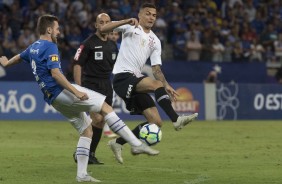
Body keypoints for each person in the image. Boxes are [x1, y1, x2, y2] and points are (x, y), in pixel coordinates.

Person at [0, 14, 159, 183]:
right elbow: (55, 74)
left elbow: (20, 57)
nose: (59, 32)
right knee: (106, 109)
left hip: (53, 99)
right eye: (56, 28)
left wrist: (6, 62)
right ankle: (135, 144)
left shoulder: (33, 47)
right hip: (61, 91)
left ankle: (81, 174)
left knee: (87, 130)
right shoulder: (50, 46)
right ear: (48, 30)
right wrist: (75, 92)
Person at [100, 3, 198, 164]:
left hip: (136, 79)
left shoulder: (155, 41)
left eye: (154, 15)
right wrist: (125, 21)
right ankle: (176, 119)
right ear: (140, 15)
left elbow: (156, 69)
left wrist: (165, 85)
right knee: (155, 85)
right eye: (148, 13)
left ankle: (117, 143)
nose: (151, 17)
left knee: (156, 122)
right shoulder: (130, 28)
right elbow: (104, 29)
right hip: (122, 77)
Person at [72, 13, 118, 165]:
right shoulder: (88, 43)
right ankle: (81, 152)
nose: (104, 25)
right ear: (96, 25)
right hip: (91, 85)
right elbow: (78, 64)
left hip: (107, 85)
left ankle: (89, 154)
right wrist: (78, 89)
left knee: (101, 121)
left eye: (107, 22)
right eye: (101, 22)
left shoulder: (112, 46)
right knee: (96, 118)